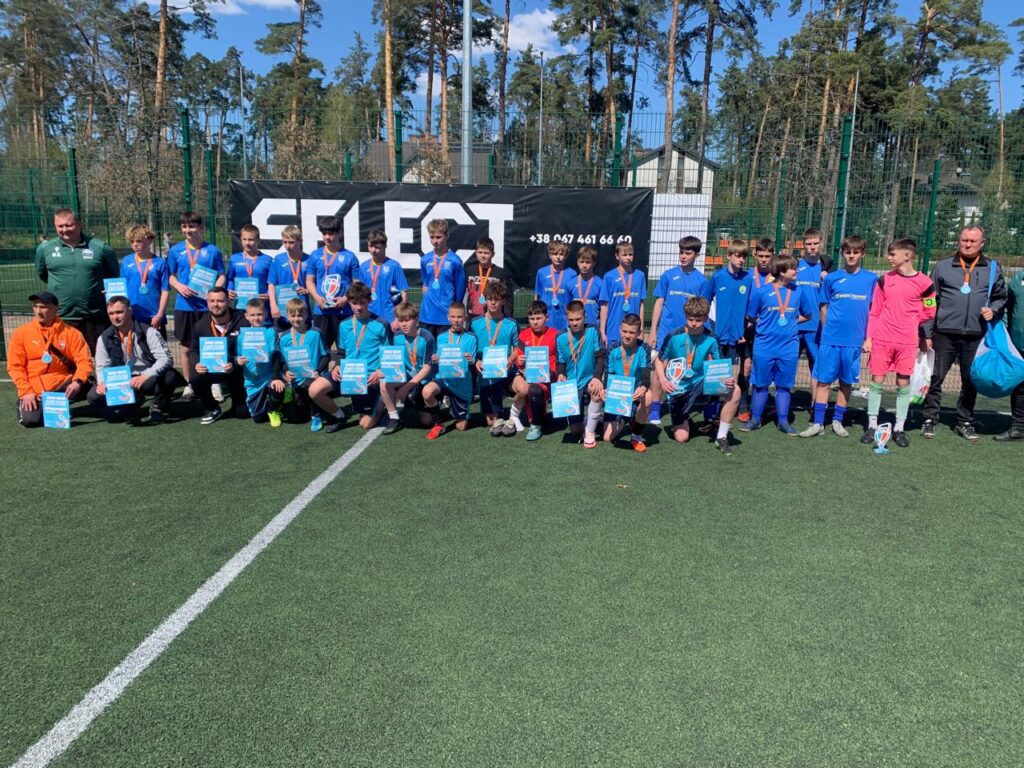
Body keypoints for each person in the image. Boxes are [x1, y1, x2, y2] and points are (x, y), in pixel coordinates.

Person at [921, 225, 1007, 440]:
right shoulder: (942, 266)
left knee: (970, 380)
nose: (967, 245)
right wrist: (927, 333)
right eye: (964, 240)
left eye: (972, 241)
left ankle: (965, 420)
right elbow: (929, 301)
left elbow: (1000, 297)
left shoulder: (993, 268)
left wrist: (993, 310)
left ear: (982, 243)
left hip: (976, 334)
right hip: (944, 332)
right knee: (935, 377)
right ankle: (929, 418)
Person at [800, 235, 876, 439]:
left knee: (846, 382)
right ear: (842, 253)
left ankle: (838, 421)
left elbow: (873, 311)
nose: (851, 256)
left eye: (855, 252)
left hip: (854, 341)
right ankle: (818, 422)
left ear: (862, 254)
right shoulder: (831, 278)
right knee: (823, 381)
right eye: (847, 252)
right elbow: (823, 307)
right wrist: (827, 331)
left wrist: (868, 337)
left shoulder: (871, 280)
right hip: (830, 340)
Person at [741, 253, 818, 435]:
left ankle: (783, 421)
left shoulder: (799, 291)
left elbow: (808, 315)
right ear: (782, 272)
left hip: (788, 347)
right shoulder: (762, 292)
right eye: (793, 268)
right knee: (760, 384)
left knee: (784, 386)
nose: (796, 271)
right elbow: (751, 315)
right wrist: (765, 323)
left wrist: (791, 322)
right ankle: (755, 419)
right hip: (764, 346)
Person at [656, 297, 742, 454]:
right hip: (680, 387)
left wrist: (728, 379)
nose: (694, 323)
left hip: (702, 382)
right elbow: (658, 360)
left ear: (706, 318)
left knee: (735, 390)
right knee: (681, 438)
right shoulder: (673, 336)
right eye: (690, 319)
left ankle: (721, 437)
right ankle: (685, 420)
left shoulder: (712, 338)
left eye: (698, 320)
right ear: (685, 317)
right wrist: (663, 380)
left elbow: (720, 365)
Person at [309, 282, 391, 432]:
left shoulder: (382, 324)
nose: (358, 307)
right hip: (349, 374)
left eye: (362, 303)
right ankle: (339, 416)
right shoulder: (344, 325)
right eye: (354, 303)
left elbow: (389, 355)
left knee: (365, 424)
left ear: (369, 301)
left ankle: (381, 400)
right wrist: (337, 366)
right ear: (349, 302)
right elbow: (341, 352)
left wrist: (379, 371)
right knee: (314, 389)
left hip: (370, 378)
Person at [35, 208, 119, 350]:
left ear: (79, 224)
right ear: (55, 226)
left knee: (100, 357)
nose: (64, 230)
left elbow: (114, 275)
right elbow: (43, 274)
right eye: (60, 226)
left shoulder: (100, 248)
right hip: (62, 316)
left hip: (95, 316)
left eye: (69, 225)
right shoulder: (45, 249)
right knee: (64, 358)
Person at [648, 235, 711, 423]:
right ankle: (655, 408)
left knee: (685, 369)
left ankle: (681, 404)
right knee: (659, 368)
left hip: (688, 334)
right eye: (681, 252)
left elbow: (703, 309)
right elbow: (659, 302)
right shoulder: (668, 275)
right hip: (666, 332)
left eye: (688, 253)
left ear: (696, 255)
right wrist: (653, 331)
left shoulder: (701, 281)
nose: (683, 256)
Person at [7, 291, 93, 427]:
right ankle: (46, 405)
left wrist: (77, 381)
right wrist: (26, 392)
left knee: (96, 393)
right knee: (30, 420)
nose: (38, 311)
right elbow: (15, 366)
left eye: (43, 307)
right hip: (35, 390)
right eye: (35, 306)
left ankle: (59, 402)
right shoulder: (21, 333)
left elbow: (84, 361)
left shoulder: (72, 333)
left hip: (64, 384)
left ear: (55, 308)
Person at [88, 296, 176, 424]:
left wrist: (146, 375)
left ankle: (157, 407)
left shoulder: (148, 332)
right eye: (111, 313)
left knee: (169, 376)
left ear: (130, 311)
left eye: (119, 312)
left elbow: (166, 359)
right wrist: (102, 382)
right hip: (121, 380)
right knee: (93, 396)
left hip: (147, 378)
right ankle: (130, 405)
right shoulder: (104, 337)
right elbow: (102, 366)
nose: (115, 317)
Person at [168, 211, 226, 401]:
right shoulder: (176, 250)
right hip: (184, 306)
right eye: (184, 226)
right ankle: (190, 384)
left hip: (206, 307)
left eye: (192, 226)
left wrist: (214, 293)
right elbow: (170, 276)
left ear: (201, 227)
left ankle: (215, 384)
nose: (188, 230)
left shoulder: (213, 250)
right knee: (185, 347)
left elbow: (222, 275)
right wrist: (180, 287)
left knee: (212, 346)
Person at [708, 238, 754, 419]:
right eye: (737, 256)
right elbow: (705, 302)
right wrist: (709, 329)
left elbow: (751, 307)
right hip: (719, 334)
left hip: (739, 336)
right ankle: (711, 413)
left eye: (744, 256)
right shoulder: (717, 277)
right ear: (728, 255)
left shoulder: (748, 279)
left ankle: (740, 407)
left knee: (739, 370)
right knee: (716, 372)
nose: (741, 260)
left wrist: (746, 328)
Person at [188, 286, 248, 425]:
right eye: (212, 301)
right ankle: (212, 408)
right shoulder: (200, 325)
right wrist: (197, 363)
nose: (216, 304)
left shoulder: (243, 321)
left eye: (220, 301)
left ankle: (242, 402)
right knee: (195, 378)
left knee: (242, 413)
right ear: (207, 303)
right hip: (212, 370)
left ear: (228, 301)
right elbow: (193, 351)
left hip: (235, 371)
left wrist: (234, 364)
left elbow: (249, 350)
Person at [422, 302, 478, 439]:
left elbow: (473, 362)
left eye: (459, 317)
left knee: (461, 427)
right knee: (427, 391)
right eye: (453, 317)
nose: (456, 320)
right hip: (444, 378)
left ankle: (457, 409)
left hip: (461, 384)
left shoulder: (471, 338)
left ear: (465, 317)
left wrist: (471, 360)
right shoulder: (441, 337)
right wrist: (435, 359)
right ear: (448, 317)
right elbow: (438, 359)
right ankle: (439, 423)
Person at [470, 282, 520, 435]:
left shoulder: (511, 324)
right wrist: (476, 361)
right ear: (485, 300)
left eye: (496, 299)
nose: (492, 302)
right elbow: (470, 349)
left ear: (503, 301)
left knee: (524, 388)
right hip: (486, 373)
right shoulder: (475, 323)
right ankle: (500, 415)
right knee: (491, 422)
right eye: (489, 299)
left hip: (506, 370)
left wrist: (511, 359)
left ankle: (514, 415)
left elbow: (518, 348)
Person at [379, 302, 435, 435]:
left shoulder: (427, 337)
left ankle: (416, 401)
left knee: (427, 421)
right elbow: (391, 359)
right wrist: (383, 370)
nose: (403, 324)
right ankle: (394, 418)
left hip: (423, 379)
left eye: (407, 320)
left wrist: (406, 387)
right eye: (401, 320)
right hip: (405, 376)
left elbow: (427, 367)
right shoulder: (396, 336)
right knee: (384, 382)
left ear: (416, 320)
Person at [305, 216, 360, 351]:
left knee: (345, 350)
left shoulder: (350, 257)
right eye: (324, 234)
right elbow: (309, 281)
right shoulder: (315, 255)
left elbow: (357, 284)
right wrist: (316, 298)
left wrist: (345, 298)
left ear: (340, 233)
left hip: (343, 311)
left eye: (331, 233)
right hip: (321, 310)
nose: (327, 237)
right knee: (320, 351)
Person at [555, 300, 606, 447]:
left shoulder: (593, 330)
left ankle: (590, 432)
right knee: (575, 431)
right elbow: (560, 361)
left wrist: (597, 377)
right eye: (571, 320)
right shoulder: (561, 337)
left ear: (585, 317)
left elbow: (600, 356)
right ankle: (592, 419)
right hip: (571, 384)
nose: (575, 323)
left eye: (578, 319)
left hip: (589, 378)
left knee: (596, 391)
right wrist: (561, 373)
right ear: (567, 319)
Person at [601, 313, 654, 451]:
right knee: (607, 438)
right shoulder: (612, 349)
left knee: (648, 396)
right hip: (617, 396)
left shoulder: (644, 349)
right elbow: (609, 377)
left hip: (634, 395)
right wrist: (606, 390)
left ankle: (636, 435)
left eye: (632, 332)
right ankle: (627, 418)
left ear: (639, 333)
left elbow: (646, 378)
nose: (627, 335)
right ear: (620, 330)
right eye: (624, 331)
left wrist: (643, 387)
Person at [508, 300, 559, 440]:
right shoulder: (524, 335)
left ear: (546, 317)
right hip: (528, 377)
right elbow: (519, 360)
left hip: (548, 378)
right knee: (532, 390)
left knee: (536, 392)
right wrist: (519, 362)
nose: (535, 322)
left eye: (538, 318)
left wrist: (555, 373)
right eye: (532, 319)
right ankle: (533, 424)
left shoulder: (555, 335)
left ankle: (537, 418)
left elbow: (561, 359)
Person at [278, 297, 329, 428]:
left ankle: (316, 414)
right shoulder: (284, 338)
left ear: (306, 315)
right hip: (297, 381)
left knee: (312, 392)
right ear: (287, 316)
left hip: (313, 378)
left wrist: (318, 371)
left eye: (300, 315)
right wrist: (286, 372)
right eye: (293, 315)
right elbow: (282, 361)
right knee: (299, 417)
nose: (297, 319)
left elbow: (326, 356)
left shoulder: (316, 333)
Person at [234, 299, 286, 426]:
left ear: (266, 314)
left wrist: (276, 377)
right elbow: (237, 356)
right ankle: (269, 405)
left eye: (259, 314)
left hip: (268, 377)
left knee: (277, 388)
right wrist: (238, 361)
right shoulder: (241, 336)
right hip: (252, 381)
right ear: (246, 316)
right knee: (258, 419)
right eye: (252, 315)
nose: (256, 318)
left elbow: (276, 355)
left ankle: (274, 410)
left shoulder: (270, 332)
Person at [795, 227, 831, 393]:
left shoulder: (826, 271)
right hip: (794, 325)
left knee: (816, 366)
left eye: (816, 243)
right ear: (803, 245)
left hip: (815, 327)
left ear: (821, 243)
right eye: (809, 244)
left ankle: (815, 404)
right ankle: (783, 403)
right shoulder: (795, 266)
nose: (812, 247)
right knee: (787, 364)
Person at [120, 224, 170, 336]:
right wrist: (110, 293)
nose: (135, 244)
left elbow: (165, 291)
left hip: (154, 318)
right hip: (132, 317)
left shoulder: (160, 263)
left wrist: (159, 315)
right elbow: (121, 288)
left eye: (138, 241)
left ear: (149, 240)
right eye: (132, 241)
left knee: (157, 347)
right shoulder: (126, 261)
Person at [419, 219, 466, 339]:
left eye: (439, 237)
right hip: (427, 314)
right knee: (427, 349)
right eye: (432, 237)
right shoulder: (425, 259)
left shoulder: (455, 261)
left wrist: (454, 312)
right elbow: (426, 282)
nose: (435, 241)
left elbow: (459, 292)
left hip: (446, 315)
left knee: (445, 349)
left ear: (447, 235)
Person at [995, 266, 1024, 441]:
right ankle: (1018, 427)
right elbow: (1007, 306)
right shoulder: (1018, 278)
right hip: (1019, 343)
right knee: (1020, 387)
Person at [600, 241, 646, 347]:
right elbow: (604, 306)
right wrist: (602, 331)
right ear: (617, 256)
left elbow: (641, 305)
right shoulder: (609, 276)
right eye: (624, 255)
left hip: (633, 331)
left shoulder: (640, 276)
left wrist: (641, 330)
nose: (628, 258)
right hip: (613, 330)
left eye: (630, 254)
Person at [359, 229, 408, 329]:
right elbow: (359, 295)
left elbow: (403, 294)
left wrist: (398, 318)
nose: (373, 250)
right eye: (370, 246)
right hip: (369, 317)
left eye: (377, 247)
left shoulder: (394, 266)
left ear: (385, 246)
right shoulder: (363, 267)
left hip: (390, 318)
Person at [226, 224, 273, 325]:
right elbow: (230, 279)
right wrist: (229, 290)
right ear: (241, 239)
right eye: (244, 239)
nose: (247, 243)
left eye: (251, 240)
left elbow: (272, 282)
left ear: (258, 240)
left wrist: (269, 293)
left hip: (261, 308)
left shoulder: (268, 260)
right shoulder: (234, 259)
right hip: (241, 306)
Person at [268, 224, 310, 331]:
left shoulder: (309, 260)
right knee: (282, 338)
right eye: (285, 242)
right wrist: (273, 305)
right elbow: (271, 284)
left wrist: (307, 290)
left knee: (302, 339)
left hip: (301, 311)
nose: (287, 246)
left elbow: (314, 284)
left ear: (300, 241)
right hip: (283, 310)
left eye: (291, 242)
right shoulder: (278, 259)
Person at [534, 239, 576, 332]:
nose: (558, 257)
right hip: (546, 320)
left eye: (561, 254)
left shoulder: (572, 274)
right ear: (550, 255)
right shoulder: (542, 272)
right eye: (555, 254)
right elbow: (537, 296)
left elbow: (574, 299)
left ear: (566, 256)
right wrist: (536, 315)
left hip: (565, 320)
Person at [464, 237, 511, 318]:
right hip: (472, 317)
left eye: (486, 253)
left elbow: (508, 298)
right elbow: (461, 294)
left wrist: (508, 317)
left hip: (494, 317)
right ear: (476, 253)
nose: (483, 256)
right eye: (480, 252)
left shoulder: (501, 273)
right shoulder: (468, 271)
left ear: (493, 254)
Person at [567, 246, 605, 327]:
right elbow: (567, 307)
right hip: (575, 327)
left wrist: (602, 328)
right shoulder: (571, 284)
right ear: (577, 262)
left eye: (588, 262)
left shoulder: (600, 284)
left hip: (593, 327)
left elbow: (604, 309)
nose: (584, 265)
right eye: (581, 262)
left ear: (594, 263)